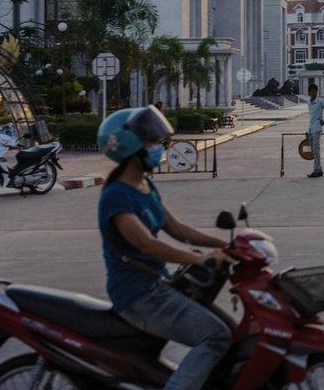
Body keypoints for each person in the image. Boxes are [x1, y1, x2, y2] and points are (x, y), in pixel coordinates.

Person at [96, 106, 232, 390]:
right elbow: (149, 245)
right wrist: (202, 260)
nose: (159, 149)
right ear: (130, 146)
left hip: (158, 285)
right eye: (153, 143)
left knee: (230, 330)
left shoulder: (145, 184)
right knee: (216, 336)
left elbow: (179, 230)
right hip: (137, 294)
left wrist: (230, 245)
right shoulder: (116, 196)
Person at [306, 83, 324, 178]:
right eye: (312, 91)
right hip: (311, 129)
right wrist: (308, 130)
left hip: (317, 129)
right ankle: (319, 168)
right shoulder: (309, 103)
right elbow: (311, 117)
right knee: (313, 150)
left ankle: (317, 170)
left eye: (315, 91)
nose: (314, 93)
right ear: (309, 92)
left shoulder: (320, 101)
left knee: (316, 150)